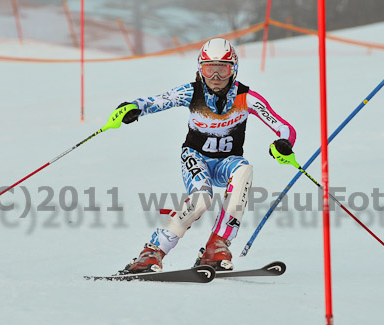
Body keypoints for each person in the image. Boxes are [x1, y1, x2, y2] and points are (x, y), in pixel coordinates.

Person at [115, 38, 297, 274]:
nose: (216, 77)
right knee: (201, 200)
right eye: (209, 69)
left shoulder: (246, 97)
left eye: (223, 69)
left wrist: (284, 143)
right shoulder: (192, 92)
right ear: (200, 69)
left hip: (226, 162)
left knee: (244, 169)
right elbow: (157, 101)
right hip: (196, 157)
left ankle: (216, 246)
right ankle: (151, 254)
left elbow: (284, 127)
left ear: (234, 69)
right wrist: (134, 107)